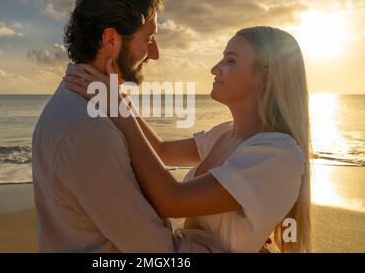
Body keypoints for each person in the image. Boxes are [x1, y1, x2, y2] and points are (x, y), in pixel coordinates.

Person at [65, 26, 312, 253]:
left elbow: (172, 201)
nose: (215, 68)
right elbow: (161, 151)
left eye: (230, 61)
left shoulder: (277, 154)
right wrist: (116, 93)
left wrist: (116, 108)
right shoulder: (225, 134)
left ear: (265, 78)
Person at [31, 0, 224, 252]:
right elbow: (154, 250)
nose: (155, 53)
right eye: (148, 39)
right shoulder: (88, 127)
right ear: (111, 39)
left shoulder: (91, 106)